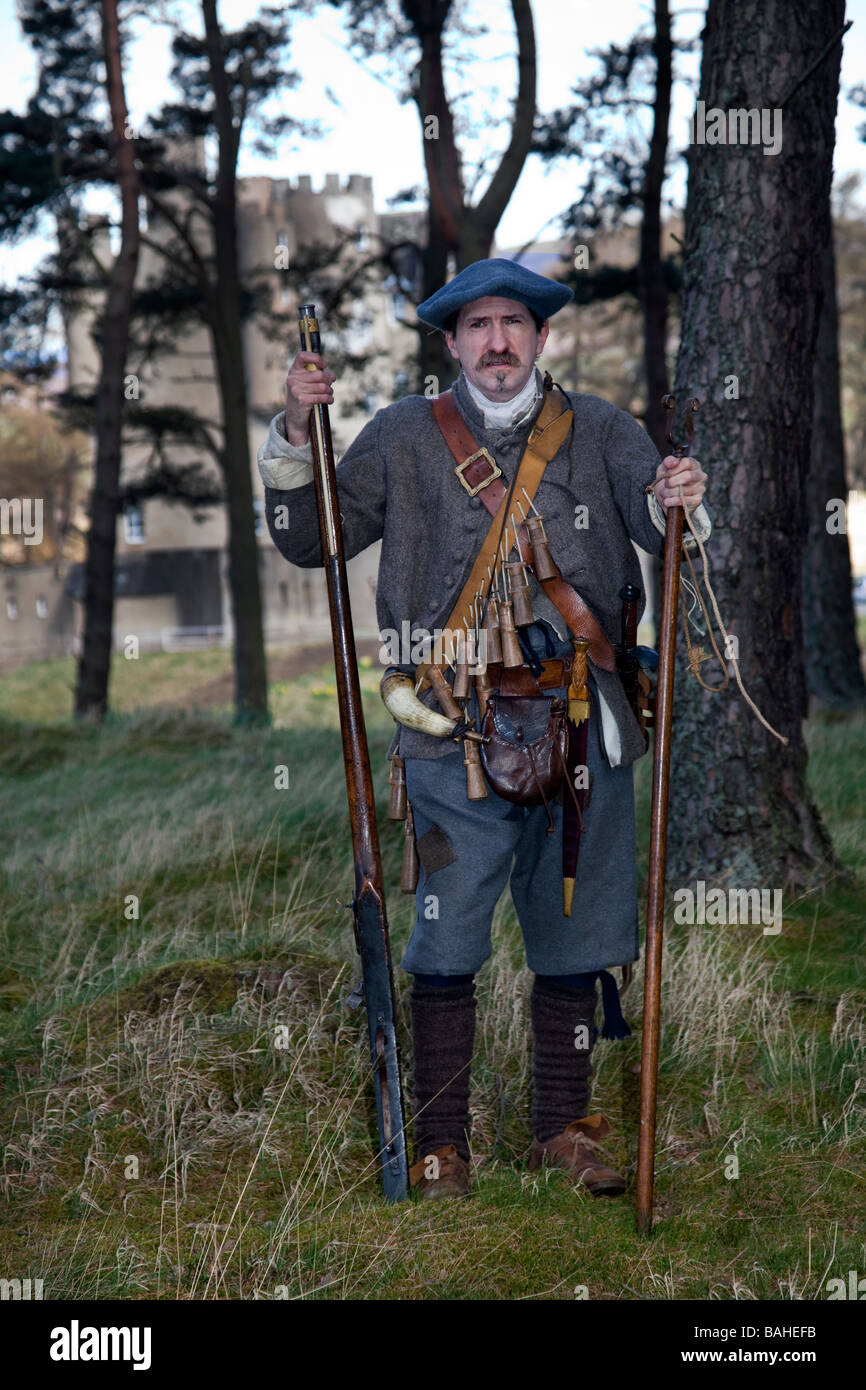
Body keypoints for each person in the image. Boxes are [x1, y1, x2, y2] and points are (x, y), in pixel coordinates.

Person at [257, 258, 709, 1201]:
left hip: (587, 724)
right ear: (453, 343)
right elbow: (314, 540)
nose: (497, 341)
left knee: (578, 938)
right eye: (478, 327)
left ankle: (560, 1131)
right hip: (447, 731)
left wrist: (683, 500)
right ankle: (441, 1146)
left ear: (541, 338)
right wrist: (298, 429)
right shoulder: (400, 436)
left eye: (514, 323)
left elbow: (672, 541)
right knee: (444, 943)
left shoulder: (605, 431)